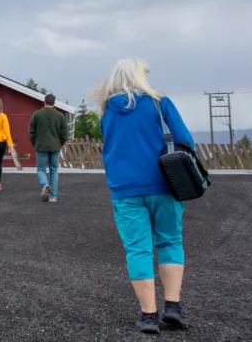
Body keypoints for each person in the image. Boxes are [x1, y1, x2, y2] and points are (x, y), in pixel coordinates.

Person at [91, 58, 194, 334]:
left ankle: (148, 315)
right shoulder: (161, 104)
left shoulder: (106, 112)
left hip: (125, 188)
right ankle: (173, 307)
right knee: (170, 241)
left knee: (138, 248)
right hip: (165, 184)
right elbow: (185, 141)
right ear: (140, 77)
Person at [29, 93, 69, 203]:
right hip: (55, 146)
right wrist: (59, 144)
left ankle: (45, 185)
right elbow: (65, 134)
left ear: (44, 101)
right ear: (54, 102)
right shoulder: (60, 116)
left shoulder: (36, 115)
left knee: (41, 169)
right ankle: (53, 196)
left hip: (41, 146)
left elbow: (31, 132)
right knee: (54, 170)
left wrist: (35, 143)